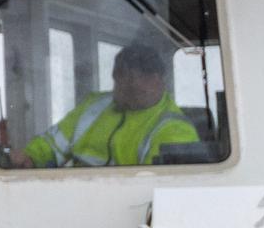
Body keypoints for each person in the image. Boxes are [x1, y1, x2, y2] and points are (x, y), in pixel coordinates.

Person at [17, 37, 200, 167]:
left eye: (137, 79)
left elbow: (157, 186)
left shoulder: (176, 130)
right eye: (120, 78)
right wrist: (30, 157)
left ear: (158, 80)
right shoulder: (93, 105)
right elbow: (52, 144)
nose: (126, 86)